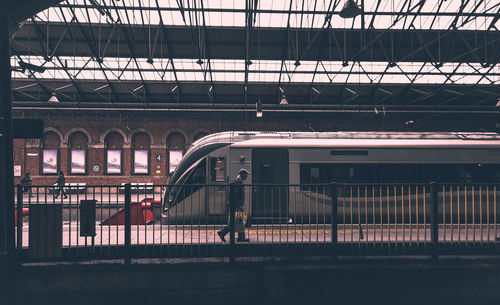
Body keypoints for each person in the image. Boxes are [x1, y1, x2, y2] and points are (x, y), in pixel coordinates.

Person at [217, 168, 250, 242]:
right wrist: (239, 206)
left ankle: (240, 237)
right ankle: (225, 233)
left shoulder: (239, 181)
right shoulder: (238, 182)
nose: (246, 176)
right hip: (236, 205)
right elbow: (235, 195)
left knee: (238, 221)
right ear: (242, 175)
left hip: (236, 205)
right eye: (246, 175)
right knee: (237, 221)